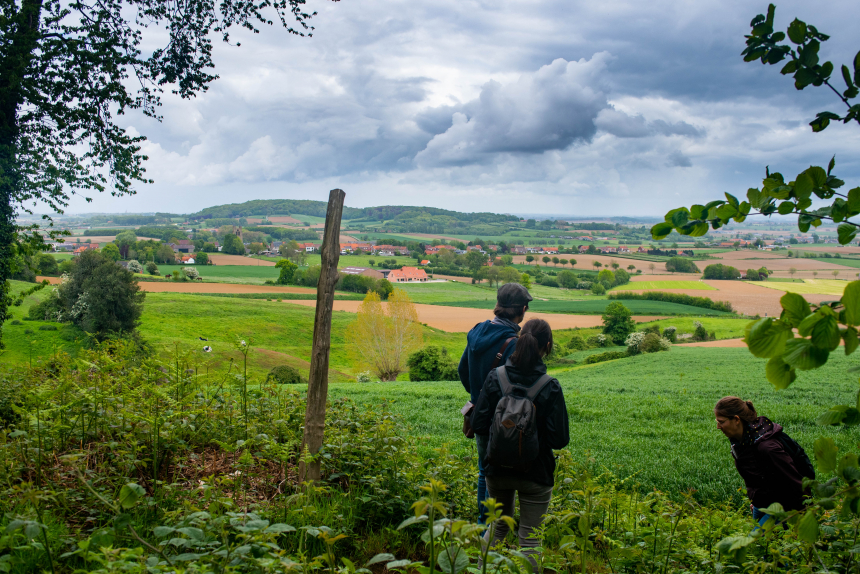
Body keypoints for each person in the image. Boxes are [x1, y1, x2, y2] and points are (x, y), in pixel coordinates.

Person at [471, 318, 570, 566]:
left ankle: (482, 571)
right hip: (536, 474)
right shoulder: (551, 387)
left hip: (497, 470)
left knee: (497, 529)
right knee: (530, 539)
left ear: (520, 339)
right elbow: (560, 439)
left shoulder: (496, 377)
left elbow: (479, 425)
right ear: (547, 346)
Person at [458, 282, 533, 522]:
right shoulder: (513, 343)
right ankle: (495, 529)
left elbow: (463, 370)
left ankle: (483, 524)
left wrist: (478, 399)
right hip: (504, 421)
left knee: (484, 471)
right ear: (521, 309)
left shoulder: (477, 330)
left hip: (479, 417)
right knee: (503, 475)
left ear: (498, 305)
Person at [715, 396, 808, 528]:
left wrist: (804, 515)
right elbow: (756, 475)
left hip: (784, 506)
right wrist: (757, 499)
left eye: (721, 422)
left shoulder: (767, 448)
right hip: (762, 504)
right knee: (763, 546)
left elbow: (797, 483)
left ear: (736, 419)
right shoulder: (741, 442)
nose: (718, 427)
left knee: (754, 542)